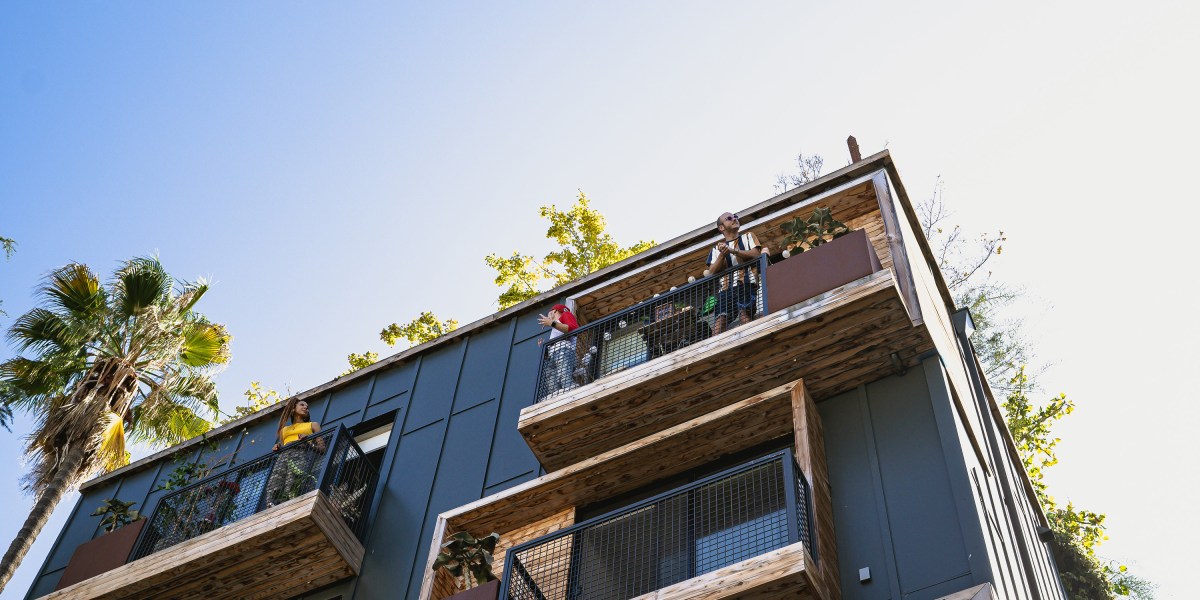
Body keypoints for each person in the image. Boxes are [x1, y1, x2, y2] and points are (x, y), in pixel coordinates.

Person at [705, 212, 764, 334]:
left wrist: (733, 251)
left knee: (744, 315)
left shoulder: (748, 236)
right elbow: (711, 272)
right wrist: (723, 254)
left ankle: (753, 338)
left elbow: (756, 254)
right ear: (721, 227)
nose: (735, 219)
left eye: (736, 217)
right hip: (725, 290)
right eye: (729, 218)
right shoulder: (716, 249)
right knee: (718, 324)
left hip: (746, 284)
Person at [537, 303, 580, 394]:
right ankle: (555, 395)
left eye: (549, 313)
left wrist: (551, 323)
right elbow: (547, 353)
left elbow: (573, 328)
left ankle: (570, 390)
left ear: (554, 311)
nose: (548, 315)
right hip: (553, 355)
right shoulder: (555, 328)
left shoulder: (566, 315)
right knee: (551, 378)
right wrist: (543, 347)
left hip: (563, 350)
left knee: (564, 374)